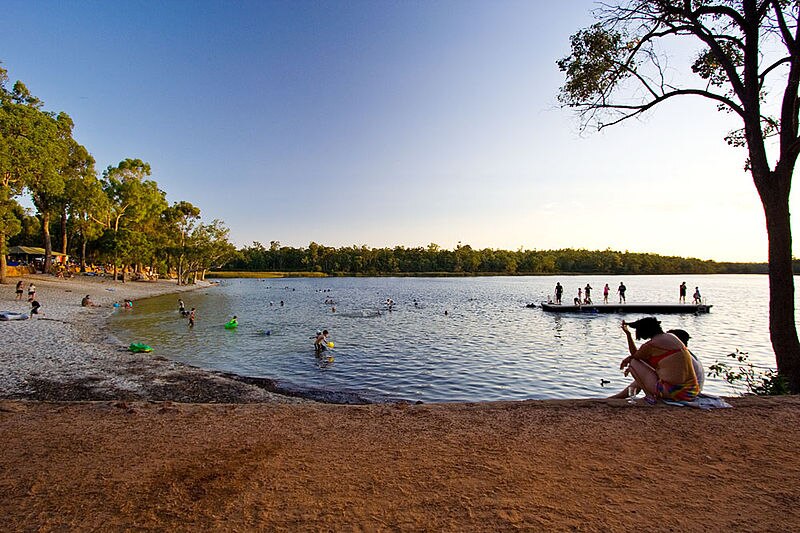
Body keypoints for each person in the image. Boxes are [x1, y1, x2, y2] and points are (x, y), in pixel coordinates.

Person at [617, 317, 700, 403]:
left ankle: (650, 397)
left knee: (633, 363)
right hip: (691, 392)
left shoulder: (652, 344)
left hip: (675, 392)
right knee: (635, 361)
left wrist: (628, 335)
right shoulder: (671, 337)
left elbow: (635, 356)